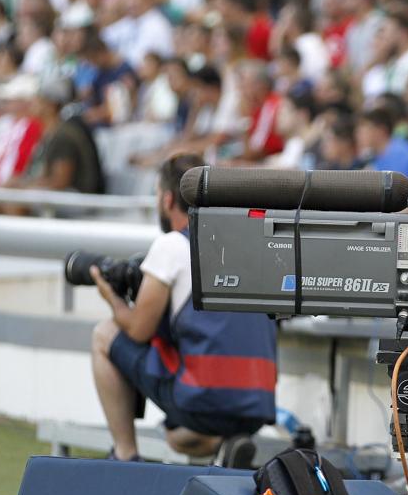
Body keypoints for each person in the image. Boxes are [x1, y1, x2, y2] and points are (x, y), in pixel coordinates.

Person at [90, 153, 277, 461]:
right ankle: (225, 447)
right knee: (177, 437)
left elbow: (138, 330)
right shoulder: (248, 244)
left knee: (104, 334)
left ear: (166, 200)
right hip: (258, 404)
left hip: (202, 401)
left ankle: (124, 455)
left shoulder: (172, 245)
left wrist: (111, 296)